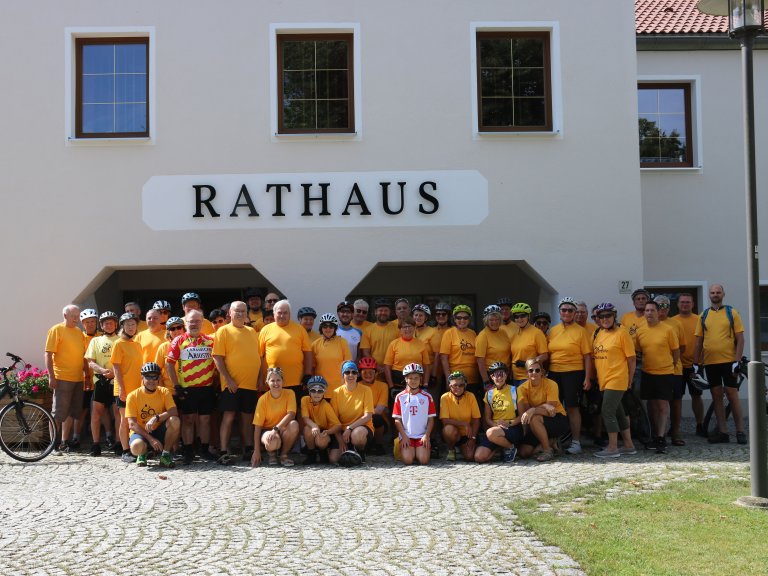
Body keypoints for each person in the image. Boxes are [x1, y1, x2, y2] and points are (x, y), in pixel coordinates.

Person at [693, 283, 746, 444]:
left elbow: (740, 339)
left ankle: (740, 431)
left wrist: (737, 360)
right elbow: (698, 342)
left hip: (729, 362)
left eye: (718, 292)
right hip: (710, 362)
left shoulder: (732, 313)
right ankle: (723, 432)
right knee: (716, 396)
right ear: (709, 295)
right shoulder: (704, 315)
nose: (715, 294)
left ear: (723, 294)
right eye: (712, 292)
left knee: (732, 395)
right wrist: (696, 363)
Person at [213, 301, 262, 464]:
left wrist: (259, 379)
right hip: (231, 384)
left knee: (247, 417)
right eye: (237, 311)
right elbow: (217, 357)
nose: (240, 314)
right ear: (230, 314)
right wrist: (228, 379)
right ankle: (223, 450)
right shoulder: (223, 331)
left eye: (243, 311)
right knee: (229, 416)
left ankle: (247, 448)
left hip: (250, 384)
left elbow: (258, 357)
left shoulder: (252, 332)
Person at [166, 309, 217, 464]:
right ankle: (188, 450)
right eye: (191, 321)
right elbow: (169, 363)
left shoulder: (210, 340)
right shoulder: (178, 341)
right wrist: (176, 385)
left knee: (205, 420)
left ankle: (204, 449)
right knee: (188, 420)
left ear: (202, 322)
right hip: (187, 388)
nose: (194, 324)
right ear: (186, 323)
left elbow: (218, 362)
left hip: (206, 387)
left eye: (197, 321)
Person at [546, 297, 592, 455]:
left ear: (574, 313)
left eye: (570, 310)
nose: (567, 312)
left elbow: (587, 356)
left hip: (574, 372)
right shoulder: (553, 330)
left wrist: (587, 377)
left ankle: (576, 442)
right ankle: (554, 441)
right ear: (559, 312)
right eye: (564, 310)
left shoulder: (581, 331)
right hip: (554, 372)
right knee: (553, 407)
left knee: (572, 407)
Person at [591, 302, 637, 458]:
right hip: (604, 380)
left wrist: (630, 380)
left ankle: (612, 447)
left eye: (608, 315)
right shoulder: (598, 333)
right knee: (618, 412)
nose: (605, 319)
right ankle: (629, 445)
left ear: (614, 316)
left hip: (617, 378)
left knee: (607, 411)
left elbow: (631, 359)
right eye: (601, 316)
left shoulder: (622, 333)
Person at [635, 300, 679, 453]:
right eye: (647, 310)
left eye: (652, 310)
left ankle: (661, 437)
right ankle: (654, 435)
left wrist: (671, 365)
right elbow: (638, 351)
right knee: (651, 406)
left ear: (658, 312)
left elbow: (676, 351)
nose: (649, 313)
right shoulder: (640, 331)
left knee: (662, 405)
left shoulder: (667, 330)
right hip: (647, 372)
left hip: (665, 373)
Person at [45, 304, 88, 456]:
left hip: (77, 378)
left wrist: (86, 376)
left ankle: (63, 442)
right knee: (58, 413)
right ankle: (53, 446)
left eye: (78, 316)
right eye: (73, 316)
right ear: (65, 316)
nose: (77, 319)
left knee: (71, 412)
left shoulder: (79, 332)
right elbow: (48, 354)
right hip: (62, 377)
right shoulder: (56, 330)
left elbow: (83, 356)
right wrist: (51, 376)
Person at [125, 362, 180, 467]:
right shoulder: (132, 396)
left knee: (175, 420)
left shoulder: (164, 391)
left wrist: (157, 417)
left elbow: (174, 411)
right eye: (148, 377)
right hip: (141, 433)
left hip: (159, 430)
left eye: (154, 377)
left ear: (159, 378)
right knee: (136, 447)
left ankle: (165, 455)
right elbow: (131, 424)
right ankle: (142, 454)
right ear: (142, 377)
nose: (151, 380)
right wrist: (151, 439)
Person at [516, 358, 570, 461]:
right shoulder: (522, 388)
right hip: (537, 422)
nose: (534, 373)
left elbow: (551, 411)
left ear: (542, 372)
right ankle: (550, 442)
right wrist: (542, 406)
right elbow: (527, 412)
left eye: (537, 370)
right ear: (527, 373)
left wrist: (534, 410)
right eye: (531, 370)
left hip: (557, 418)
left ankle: (547, 450)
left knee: (534, 418)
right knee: (523, 452)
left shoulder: (551, 384)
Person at [259, 300, 313, 401]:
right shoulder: (265, 330)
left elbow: (308, 354)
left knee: (298, 410)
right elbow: (260, 357)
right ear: (274, 313)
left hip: (296, 381)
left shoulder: (300, 329)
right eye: (279, 312)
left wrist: (307, 374)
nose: (282, 315)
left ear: (290, 314)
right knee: (275, 412)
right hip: (273, 381)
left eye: (285, 313)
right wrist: (261, 380)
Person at [85, 311, 120, 456]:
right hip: (100, 381)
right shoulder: (95, 341)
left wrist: (114, 373)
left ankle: (119, 443)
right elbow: (90, 362)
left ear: (116, 324)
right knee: (96, 414)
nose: (109, 325)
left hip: (117, 381)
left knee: (118, 413)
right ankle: (95, 444)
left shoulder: (121, 340)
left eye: (111, 323)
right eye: (106, 323)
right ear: (102, 325)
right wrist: (103, 370)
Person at [473, 362, 522, 464]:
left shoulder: (515, 390)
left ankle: (511, 448)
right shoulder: (489, 394)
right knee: (479, 457)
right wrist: (496, 425)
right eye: (496, 375)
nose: (499, 378)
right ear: (491, 377)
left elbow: (522, 415)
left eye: (502, 374)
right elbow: (487, 418)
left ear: (507, 375)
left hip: (512, 427)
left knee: (491, 433)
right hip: (496, 429)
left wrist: (508, 424)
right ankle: (501, 448)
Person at [111, 312, 144, 462]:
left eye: (133, 324)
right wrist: (122, 389)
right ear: (122, 326)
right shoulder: (118, 343)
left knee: (137, 420)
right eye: (127, 324)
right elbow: (116, 368)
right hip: (124, 389)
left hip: (137, 388)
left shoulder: (137, 344)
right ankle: (125, 450)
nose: (131, 327)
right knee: (124, 420)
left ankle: (137, 448)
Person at [251, 367, 300, 467]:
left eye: (278, 380)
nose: (276, 383)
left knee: (294, 424)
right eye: (272, 380)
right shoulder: (263, 399)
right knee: (272, 442)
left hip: (281, 429)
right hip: (268, 431)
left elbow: (291, 414)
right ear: (267, 382)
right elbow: (258, 426)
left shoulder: (290, 393)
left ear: (283, 381)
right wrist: (256, 451)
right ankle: (272, 455)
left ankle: (283, 455)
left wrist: (276, 429)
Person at [655, 295, 687, 445]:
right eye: (659, 306)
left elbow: (682, 347)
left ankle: (675, 432)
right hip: (654, 370)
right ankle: (657, 432)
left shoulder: (676, 323)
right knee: (656, 402)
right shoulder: (647, 323)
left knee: (675, 402)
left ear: (669, 308)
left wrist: (672, 360)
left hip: (675, 370)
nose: (662, 309)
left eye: (665, 306)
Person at [672, 293, 705, 436]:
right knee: (675, 398)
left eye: (688, 302)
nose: (685, 304)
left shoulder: (700, 320)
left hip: (695, 365)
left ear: (693, 304)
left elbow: (705, 341)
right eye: (682, 302)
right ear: (678, 304)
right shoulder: (671, 321)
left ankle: (700, 425)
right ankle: (674, 428)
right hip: (677, 366)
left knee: (696, 396)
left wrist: (700, 361)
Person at [392, 363, 436, 465]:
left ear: (421, 379)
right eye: (410, 378)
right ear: (406, 379)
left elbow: (431, 420)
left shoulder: (427, 397)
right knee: (408, 461)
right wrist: (404, 436)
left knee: (424, 460)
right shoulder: (399, 397)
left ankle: (418, 451)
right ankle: (411, 451)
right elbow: (397, 420)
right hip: (407, 436)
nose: (413, 380)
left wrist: (426, 435)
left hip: (422, 436)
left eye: (416, 378)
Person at [330, 361, 374, 462]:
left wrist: (350, 428)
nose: (351, 375)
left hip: (360, 429)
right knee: (333, 459)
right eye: (347, 372)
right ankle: (349, 449)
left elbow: (367, 416)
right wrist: (340, 440)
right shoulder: (336, 392)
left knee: (357, 434)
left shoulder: (366, 390)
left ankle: (360, 452)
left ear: (357, 374)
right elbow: (334, 421)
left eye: (354, 372)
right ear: (343, 374)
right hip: (342, 432)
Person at [440, 305, 480, 404]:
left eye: (465, 318)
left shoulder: (473, 333)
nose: (462, 320)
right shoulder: (449, 333)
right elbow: (444, 357)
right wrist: (448, 379)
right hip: (455, 379)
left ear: (469, 319)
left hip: (472, 379)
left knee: (472, 408)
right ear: (454, 319)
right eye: (459, 318)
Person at [439, 371, 480, 462]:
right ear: (450, 386)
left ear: (465, 385)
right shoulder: (445, 397)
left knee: (469, 457)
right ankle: (451, 449)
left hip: (467, 434)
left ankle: (462, 448)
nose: (458, 387)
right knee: (448, 430)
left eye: (461, 385)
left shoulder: (470, 396)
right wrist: (464, 424)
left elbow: (476, 420)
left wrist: (473, 438)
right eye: (455, 385)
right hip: (453, 432)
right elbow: (445, 421)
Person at [300, 376, 342, 464]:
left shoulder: (326, 405)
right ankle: (311, 454)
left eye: (320, 391)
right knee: (307, 429)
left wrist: (327, 432)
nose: (316, 393)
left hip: (326, 432)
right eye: (313, 390)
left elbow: (338, 426)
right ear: (309, 391)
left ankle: (323, 452)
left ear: (324, 392)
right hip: (314, 429)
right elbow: (305, 418)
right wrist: (314, 426)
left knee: (333, 459)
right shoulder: (304, 400)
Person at [384, 316, 431, 392]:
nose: (407, 329)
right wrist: (391, 386)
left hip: (416, 383)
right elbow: (387, 367)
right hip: (398, 384)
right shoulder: (393, 344)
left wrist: (425, 384)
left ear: (414, 328)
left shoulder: (421, 344)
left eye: (410, 326)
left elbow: (426, 366)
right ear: (400, 329)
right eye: (404, 327)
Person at [507, 302, 548, 386]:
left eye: (522, 316)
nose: (519, 319)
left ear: (528, 316)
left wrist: (528, 362)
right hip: (515, 377)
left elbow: (544, 355)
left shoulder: (537, 333)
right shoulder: (514, 334)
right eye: (516, 317)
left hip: (530, 376)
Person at [312, 313, 352, 397]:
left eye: (331, 326)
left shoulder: (342, 342)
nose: (328, 329)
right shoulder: (315, 344)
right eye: (325, 326)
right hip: (320, 388)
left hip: (339, 388)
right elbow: (312, 367)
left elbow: (348, 365)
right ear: (321, 328)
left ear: (335, 328)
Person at [360, 298, 399, 383]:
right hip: (374, 372)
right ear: (375, 312)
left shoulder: (397, 328)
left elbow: (400, 349)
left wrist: (388, 368)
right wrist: (379, 368)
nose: (383, 313)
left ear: (390, 312)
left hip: (394, 370)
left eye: (386, 310)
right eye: (380, 310)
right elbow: (366, 353)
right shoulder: (368, 330)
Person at [358, 356, 389, 455]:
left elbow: (379, 410)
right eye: (365, 372)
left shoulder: (383, 386)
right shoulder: (356, 385)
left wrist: (365, 416)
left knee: (377, 418)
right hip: (359, 418)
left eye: (371, 372)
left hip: (376, 419)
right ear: (360, 373)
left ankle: (379, 444)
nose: (368, 375)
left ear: (376, 373)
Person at [475, 304, 511, 389]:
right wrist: (486, 382)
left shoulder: (503, 332)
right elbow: (480, 361)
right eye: (491, 320)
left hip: (505, 374)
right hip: (491, 376)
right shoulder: (483, 335)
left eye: (497, 319)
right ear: (486, 321)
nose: (494, 322)